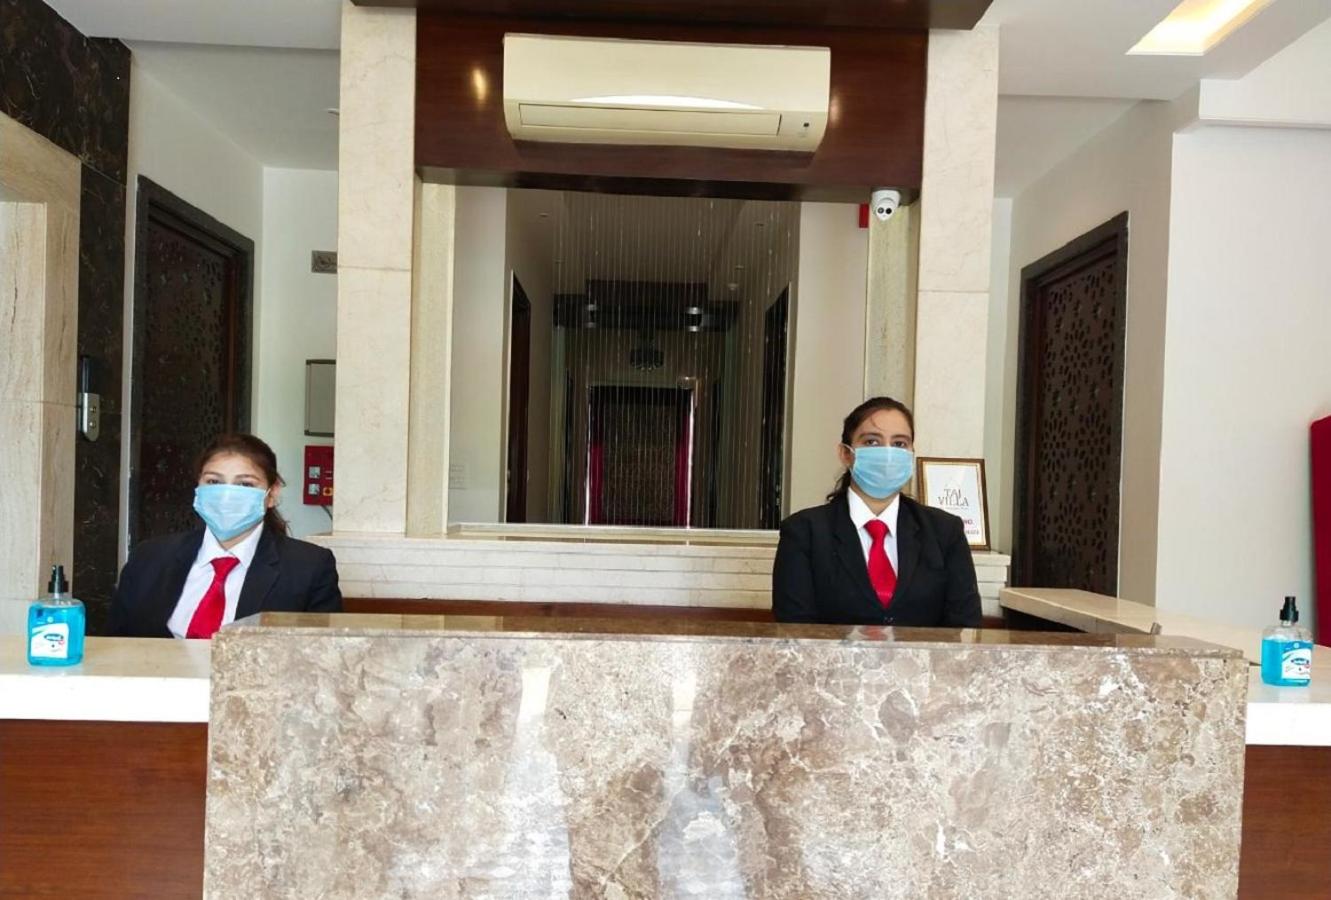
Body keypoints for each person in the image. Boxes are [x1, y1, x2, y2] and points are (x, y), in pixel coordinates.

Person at [772, 396, 981, 627]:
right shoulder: (803, 532)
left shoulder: (945, 531)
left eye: (899, 444)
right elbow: (795, 628)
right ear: (845, 453)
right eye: (872, 441)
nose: (888, 454)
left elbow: (965, 624)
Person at [109, 434, 342, 638]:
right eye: (214, 482)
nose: (227, 495)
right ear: (198, 486)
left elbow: (320, 656)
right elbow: (115, 644)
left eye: (245, 484)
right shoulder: (149, 558)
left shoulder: (308, 568)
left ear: (272, 494)